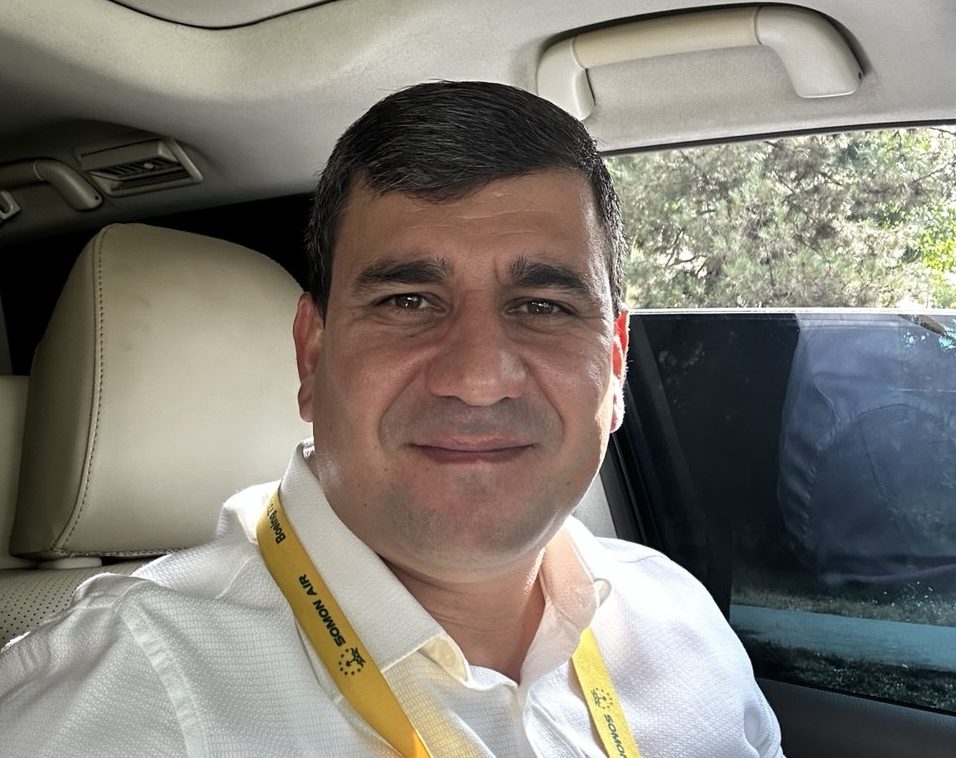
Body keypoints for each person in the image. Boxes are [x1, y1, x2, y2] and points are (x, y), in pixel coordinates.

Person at [0, 81, 783, 757]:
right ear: (312, 357)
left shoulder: (680, 620)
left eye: (543, 305)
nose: (478, 379)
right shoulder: (120, 702)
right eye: (408, 301)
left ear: (613, 366)